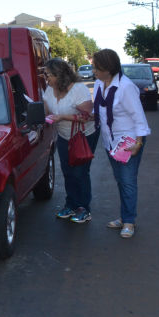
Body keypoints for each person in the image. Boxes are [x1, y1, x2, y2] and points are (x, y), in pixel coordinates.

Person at [92, 49, 150, 238]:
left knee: (127, 181)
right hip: (111, 141)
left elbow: (139, 117)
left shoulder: (125, 87)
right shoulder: (100, 85)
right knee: (121, 181)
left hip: (129, 141)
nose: (93, 69)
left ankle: (128, 222)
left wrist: (138, 144)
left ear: (108, 69)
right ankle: (126, 215)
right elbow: (100, 112)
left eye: (96, 67)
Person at [43, 58, 98, 223]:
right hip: (64, 135)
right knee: (67, 171)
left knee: (80, 172)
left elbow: (87, 117)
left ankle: (84, 208)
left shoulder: (78, 89)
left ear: (59, 74)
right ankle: (71, 205)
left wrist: (63, 117)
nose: (46, 78)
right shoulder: (49, 89)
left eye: (48, 75)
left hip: (84, 135)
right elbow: (46, 110)